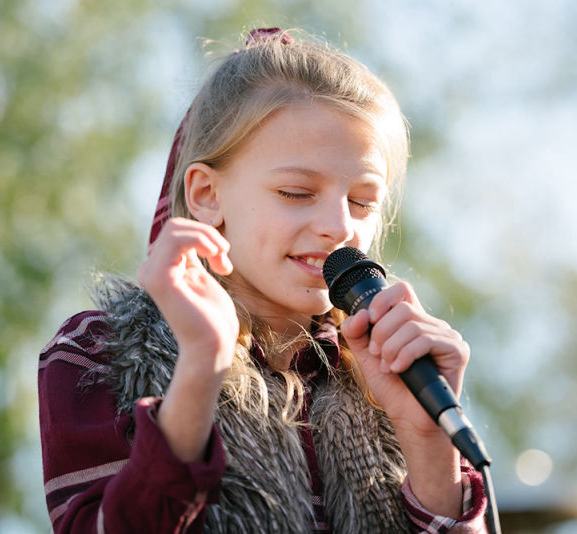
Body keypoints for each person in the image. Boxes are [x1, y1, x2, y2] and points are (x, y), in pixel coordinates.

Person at [38, 28, 488, 533]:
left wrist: (428, 442)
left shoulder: (393, 368)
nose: (341, 226)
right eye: (297, 192)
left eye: (362, 202)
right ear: (207, 194)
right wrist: (199, 370)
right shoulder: (101, 351)